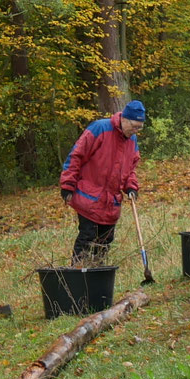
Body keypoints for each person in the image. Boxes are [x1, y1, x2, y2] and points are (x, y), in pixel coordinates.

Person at [60, 100, 144, 264]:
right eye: (134, 126)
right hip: (89, 197)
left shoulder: (132, 140)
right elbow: (76, 156)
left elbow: (130, 168)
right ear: (124, 119)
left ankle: (97, 278)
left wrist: (131, 187)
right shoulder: (100, 128)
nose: (135, 131)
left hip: (111, 203)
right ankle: (78, 276)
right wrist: (67, 185)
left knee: (105, 242)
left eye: (139, 127)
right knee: (87, 238)